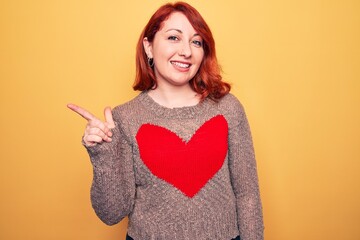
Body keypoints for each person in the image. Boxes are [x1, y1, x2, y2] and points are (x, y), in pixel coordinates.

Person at [68, 2, 264, 240]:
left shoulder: (228, 108)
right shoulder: (125, 118)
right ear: (148, 47)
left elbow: (247, 195)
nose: (186, 51)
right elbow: (111, 213)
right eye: (173, 37)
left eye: (196, 41)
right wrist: (103, 154)